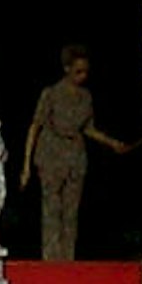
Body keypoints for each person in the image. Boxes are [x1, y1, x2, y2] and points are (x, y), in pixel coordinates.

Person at [20, 45, 129, 264]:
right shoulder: (50, 94)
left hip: (75, 156)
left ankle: (68, 260)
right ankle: (51, 259)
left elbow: (88, 128)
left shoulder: (85, 97)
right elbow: (35, 126)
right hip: (50, 154)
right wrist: (26, 166)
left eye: (85, 72)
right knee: (51, 209)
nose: (82, 76)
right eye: (78, 71)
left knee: (71, 211)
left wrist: (111, 143)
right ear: (67, 68)